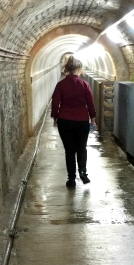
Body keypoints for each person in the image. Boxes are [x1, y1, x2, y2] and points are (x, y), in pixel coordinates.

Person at [51, 55, 97, 187]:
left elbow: (55, 103)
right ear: (79, 69)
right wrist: (92, 119)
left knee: (69, 150)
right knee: (81, 148)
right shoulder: (84, 84)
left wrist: (55, 117)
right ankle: (83, 172)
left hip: (65, 120)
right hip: (82, 120)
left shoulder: (60, 85)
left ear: (67, 70)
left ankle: (71, 179)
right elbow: (90, 103)